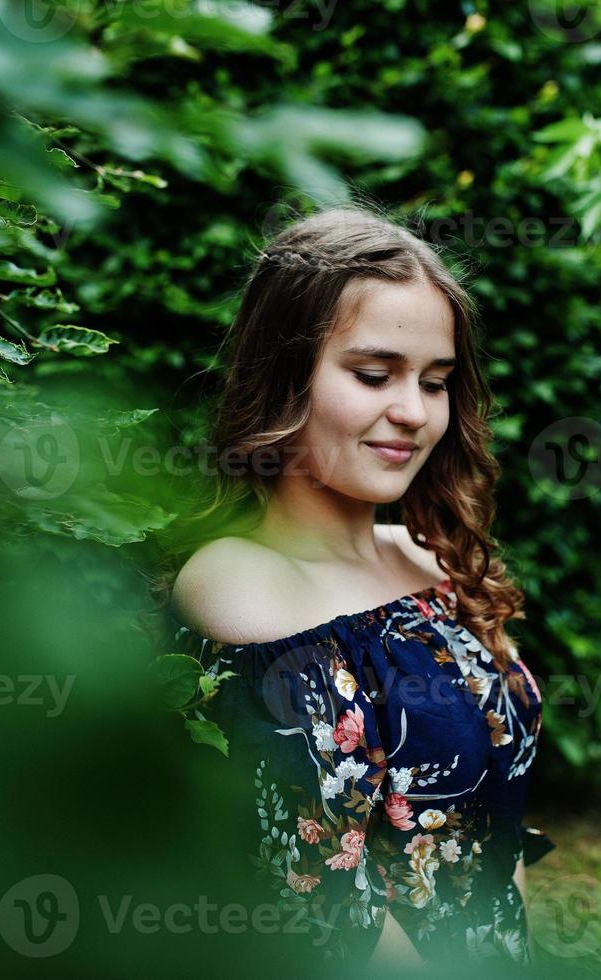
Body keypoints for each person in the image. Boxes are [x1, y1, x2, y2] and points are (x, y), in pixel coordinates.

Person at [157, 205, 554, 969]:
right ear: (284, 376)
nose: (411, 412)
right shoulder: (243, 591)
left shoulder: (426, 561)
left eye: (434, 383)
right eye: (373, 375)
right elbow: (327, 916)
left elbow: (495, 827)